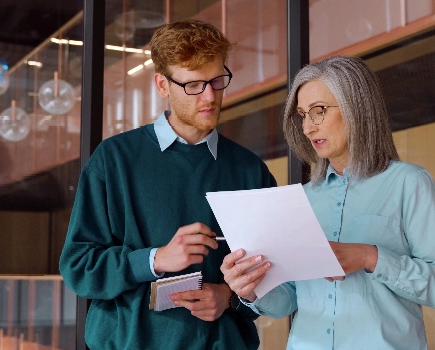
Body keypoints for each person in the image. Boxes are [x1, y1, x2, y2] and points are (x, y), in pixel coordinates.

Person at [221, 56, 435, 349]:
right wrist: (250, 289)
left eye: (319, 111)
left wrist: (371, 257)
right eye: (302, 115)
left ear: (357, 108)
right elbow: (287, 301)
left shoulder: (409, 183)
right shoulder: (304, 199)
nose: (308, 127)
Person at [59, 19, 276, 350]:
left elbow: (275, 274)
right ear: (162, 85)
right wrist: (154, 259)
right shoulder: (113, 159)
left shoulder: (251, 171)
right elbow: (78, 267)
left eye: (218, 81)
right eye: (194, 85)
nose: (210, 95)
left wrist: (229, 296)